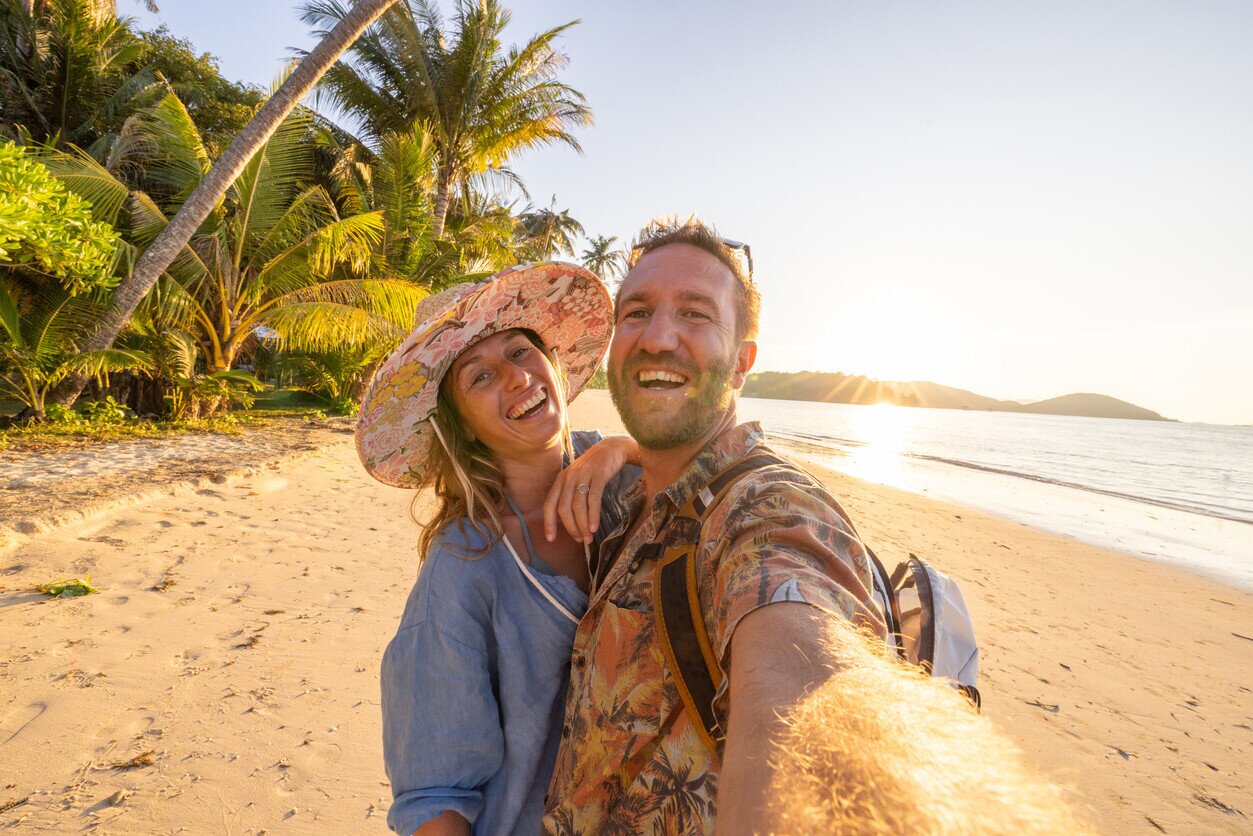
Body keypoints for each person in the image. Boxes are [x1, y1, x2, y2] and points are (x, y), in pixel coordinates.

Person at [541, 218, 1085, 833]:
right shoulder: (628, 497)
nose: (658, 337)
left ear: (742, 363)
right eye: (636, 312)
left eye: (695, 315)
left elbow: (805, 674)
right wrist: (619, 448)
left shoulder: (768, 510)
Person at [356, 263, 640, 836]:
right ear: (461, 427)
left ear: (552, 362)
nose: (515, 378)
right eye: (478, 378)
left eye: (519, 351)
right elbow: (434, 793)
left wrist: (621, 449)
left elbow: (720, 465)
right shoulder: (463, 567)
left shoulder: (627, 480)